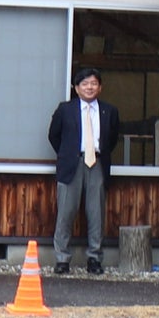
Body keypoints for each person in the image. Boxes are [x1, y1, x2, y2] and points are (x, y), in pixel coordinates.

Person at [48, 67, 120, 275]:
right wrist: (68, 154)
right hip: (71, 164)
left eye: (94, 83)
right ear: (76, 88)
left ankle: (95, 259)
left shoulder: (109, 111)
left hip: (97, 163)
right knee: (66, 212)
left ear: (100, 87)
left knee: (96, 213)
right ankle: (62, 259)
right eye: (85, 84)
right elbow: (54, 136)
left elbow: (112, 139)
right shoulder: (65, 109)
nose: (89, 87)